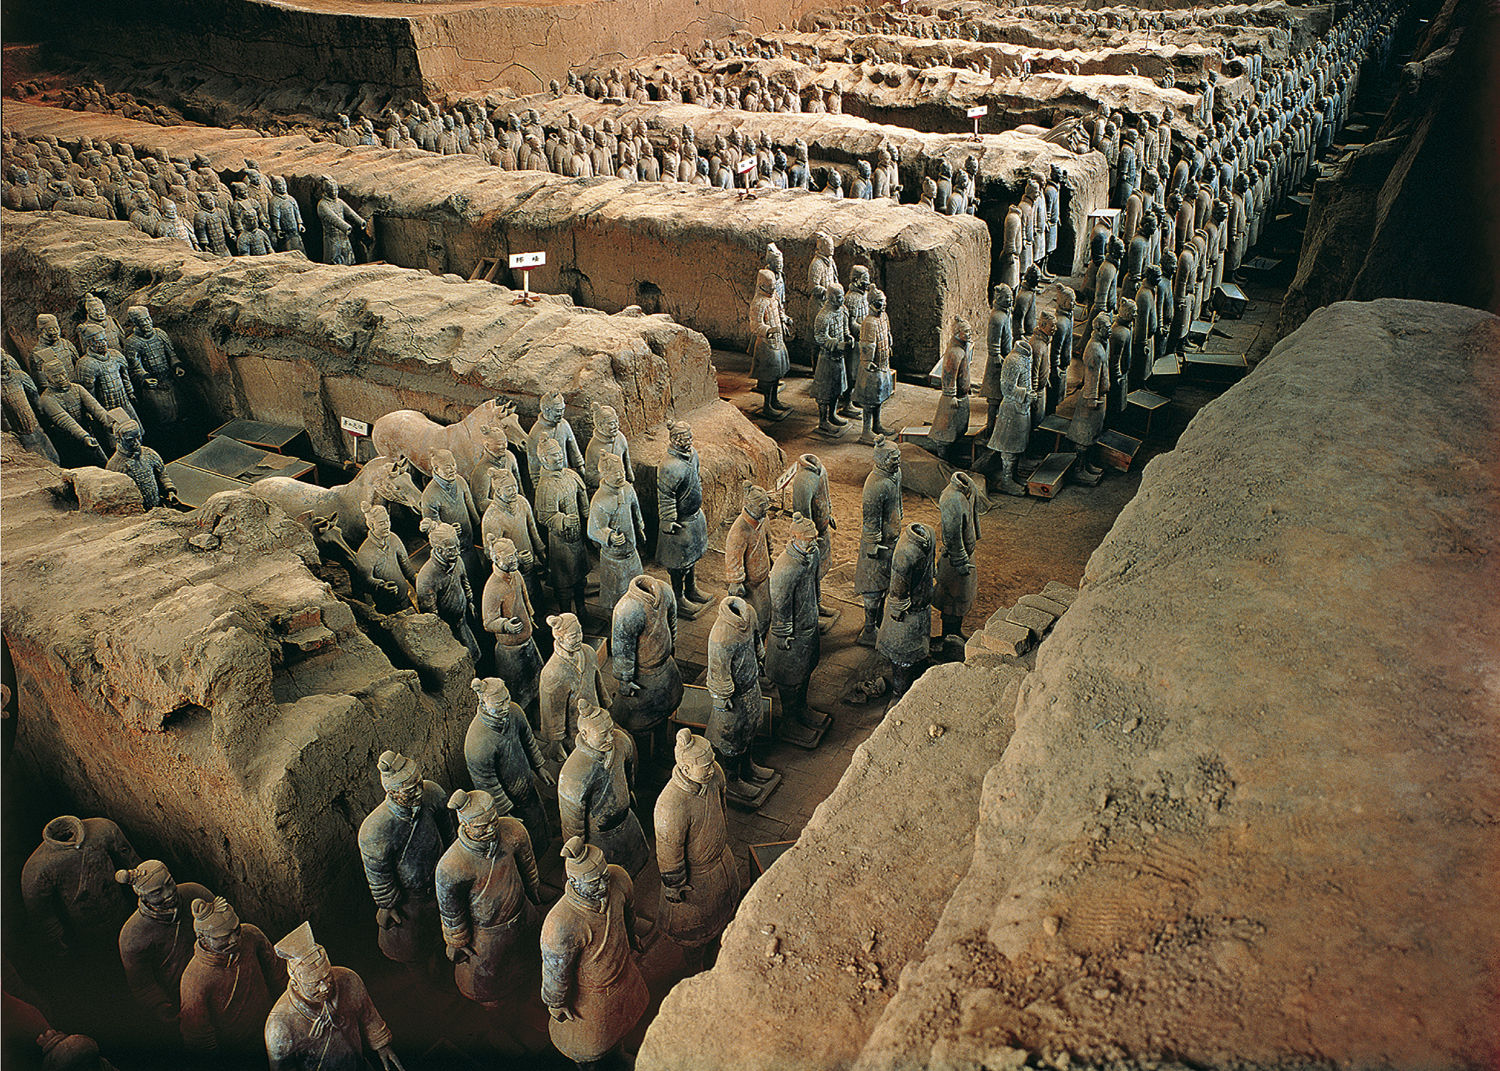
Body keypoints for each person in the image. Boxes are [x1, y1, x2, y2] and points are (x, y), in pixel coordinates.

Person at [540, 838, 648, 1070]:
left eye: (603, 877)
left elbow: (628, 913)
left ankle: (617, 1054)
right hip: (591, 999)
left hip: (624, 976)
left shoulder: (617, 878)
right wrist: (556, 1002)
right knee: (590, 1050)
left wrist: (632, 937)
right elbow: (555, 972)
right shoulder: (561, 923)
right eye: (593, 882)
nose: (602, 886)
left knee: (621, 1028)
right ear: (574, 882)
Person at [654, 729, 742, 971]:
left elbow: (723, 810)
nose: (712, 768)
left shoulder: (714, 776)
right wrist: (675, 886)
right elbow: (669, 853)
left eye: (711, 762)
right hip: (695, 883)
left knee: (725, 917)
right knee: (695, 939)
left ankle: (719, 959)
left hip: (721, 864)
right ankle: (696, 973)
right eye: (704, 766)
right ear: (685, 769)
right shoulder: (670, 805)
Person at [265, 922, 404, 1070]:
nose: (325, 987)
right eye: (315, 983)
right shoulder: (279, 1026)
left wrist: (382, 1045)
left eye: (328, 977)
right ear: (296, 984)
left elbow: (368, 1015)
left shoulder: (348, 980)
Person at [357, 750, 450, 967]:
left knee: (447, 934)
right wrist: (388, 904)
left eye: (419, 783)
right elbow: (379, 874)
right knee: (412, 948)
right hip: (409, 900)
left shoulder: (432, 793)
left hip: (440, 883)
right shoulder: (375, 829)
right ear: (391, 791)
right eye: (410, 790)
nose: (418, 792)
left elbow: (448, 831)